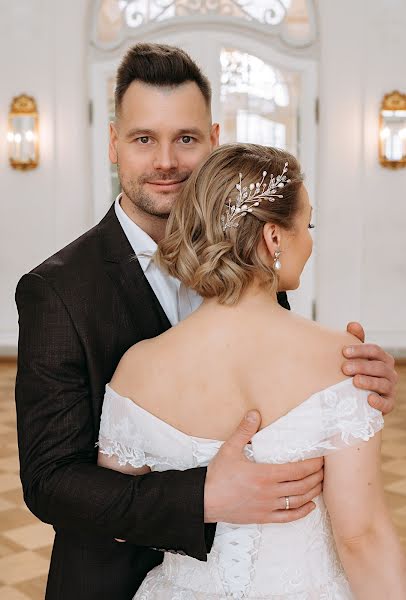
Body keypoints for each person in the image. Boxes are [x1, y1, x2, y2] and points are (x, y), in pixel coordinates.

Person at [15, 43, 397, 600]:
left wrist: (357, 380)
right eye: (144, 138)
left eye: (186, 139)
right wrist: (201, 498)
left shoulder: (251, 264)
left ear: (213, 141)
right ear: (114, 145)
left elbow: (277, 392)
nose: (166, 161)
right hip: (116, 578)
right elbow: (49, 482)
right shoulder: (58, 290)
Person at [99, 143, 406, 599]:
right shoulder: (341, 359)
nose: (311, 240)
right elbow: (360, 537)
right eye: (308, 224)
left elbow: (118, 520)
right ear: (273, 238)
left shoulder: (137, 368)